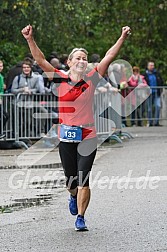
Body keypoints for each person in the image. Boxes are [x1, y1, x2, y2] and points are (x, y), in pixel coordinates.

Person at [21, 24, 131, 231]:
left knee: (83, 178)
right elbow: (40, 60)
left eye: (84, 58)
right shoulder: (59, 78)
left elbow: (108, 56)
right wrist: (30, 39)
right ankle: (73, 196)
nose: (82, 61)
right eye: (78, 58)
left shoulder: (92, 79)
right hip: (66, 136)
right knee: (71, 181)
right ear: (69, 62)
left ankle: (81, 217)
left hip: (88, 135)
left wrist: (122, 37)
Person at [143, 61, 164, 126]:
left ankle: (156, 122)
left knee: (158, 106)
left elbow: (161, 81)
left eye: (153, 65)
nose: (152, 67)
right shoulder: (145, 74)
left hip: (156, 93)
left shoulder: (157, 74)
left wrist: (160, 89)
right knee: (149, 108)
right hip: (149, 93)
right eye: (151, 65)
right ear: (148, 66)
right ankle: (150, 122)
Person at [0, 60, 8, 138]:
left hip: (0, 100)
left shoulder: (1, 76)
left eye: (1, 66)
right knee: (4, 116)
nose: (0, 68)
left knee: (5, 116)